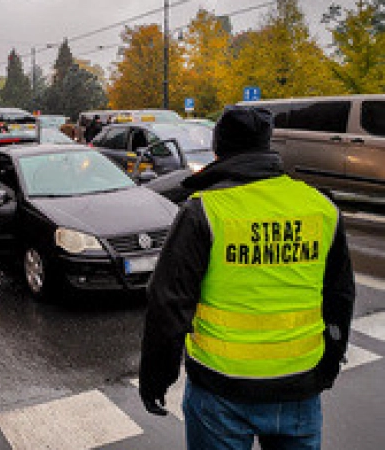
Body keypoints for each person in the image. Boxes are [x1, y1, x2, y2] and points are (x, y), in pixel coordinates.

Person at [139, 106, 355, 450]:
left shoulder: (203, 210)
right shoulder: (320, 206)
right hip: (299, 386)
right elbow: (340, 297)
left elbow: (168, 304)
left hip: (220, 389)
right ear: (268, 145)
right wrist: (329, 364)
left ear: (217, 150)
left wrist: (156, 378)